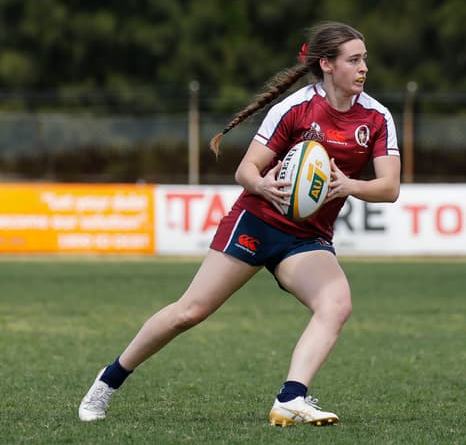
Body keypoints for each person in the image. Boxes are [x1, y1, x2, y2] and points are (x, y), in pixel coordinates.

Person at [78, 21, 401, 426]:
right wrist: (264, 184)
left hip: (306, 237)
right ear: (327, 65)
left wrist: (348, 184)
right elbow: (246, 170)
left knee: (336, 305)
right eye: (354, 60)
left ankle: (291, 398)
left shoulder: (375, 117)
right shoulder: (294, 109)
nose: (363, 68)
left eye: (364, 59)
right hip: (258, 221)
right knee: (190, 312)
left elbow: (389, 188)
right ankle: (107, 381)